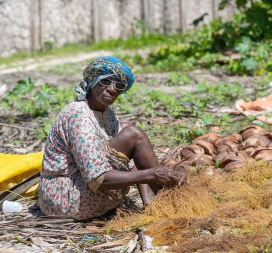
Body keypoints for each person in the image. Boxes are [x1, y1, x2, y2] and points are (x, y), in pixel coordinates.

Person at [38, 56, 187, 220]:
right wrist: (152, 174)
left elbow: (129, 160)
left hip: (84, 192)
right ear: (93, 81)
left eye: (119, 85)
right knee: (133, 135)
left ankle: (153, 202)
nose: (112, 89)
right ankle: (168, 202)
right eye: (105, 82)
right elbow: (98, 180)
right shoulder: (79, 115)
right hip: (65, 200)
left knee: (133, 141)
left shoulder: (106, 113)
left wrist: (152, 174)